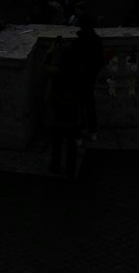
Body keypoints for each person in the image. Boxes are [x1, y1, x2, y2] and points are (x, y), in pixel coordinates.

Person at [43, 40, 81, 178]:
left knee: (57, 141)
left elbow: (45, 67)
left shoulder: (58, 71)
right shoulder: (77, 71)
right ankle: (71, 168)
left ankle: (56, 166)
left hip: (59, 109)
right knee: (71, 143)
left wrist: (51, 51)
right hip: (73, 110)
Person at [67, 8, 106, 140]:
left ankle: (79, 133)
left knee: (79, 106)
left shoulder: (77, 42)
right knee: (90, 104)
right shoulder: (97, 41)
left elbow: (71, 60)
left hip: (79, 77)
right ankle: (92, 131)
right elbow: (101, 59)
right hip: (90, 76)